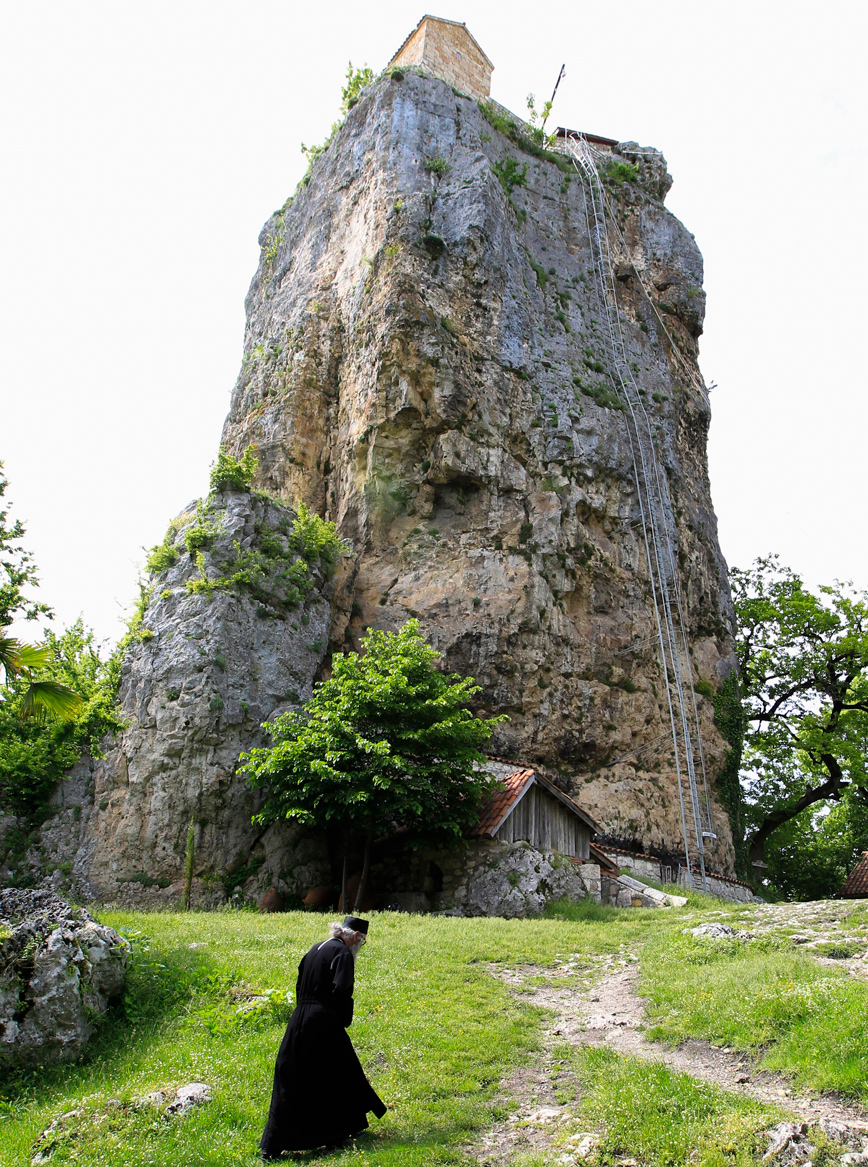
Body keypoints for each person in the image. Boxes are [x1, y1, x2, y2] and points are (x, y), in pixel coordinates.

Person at [260, 915, 387, 1158]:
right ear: (356, 937)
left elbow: (299, 985)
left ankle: (273, 1144)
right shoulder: (342, 954)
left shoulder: (314, 948)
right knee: (337, 1073)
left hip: (299, 1018)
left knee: (292, 1076)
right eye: (362, 940)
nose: (361, 945)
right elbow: (342, 989)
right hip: (322, 1019)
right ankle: (338, 1133)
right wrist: (339, 1019)